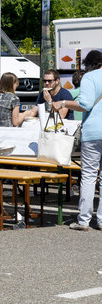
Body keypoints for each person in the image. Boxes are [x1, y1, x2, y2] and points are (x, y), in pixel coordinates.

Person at [52, 50, 102, 231]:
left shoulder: (89, 78)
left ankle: (84, 220)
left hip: (93, 132)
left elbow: (85, 104)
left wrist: (63, 103)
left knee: (88, 175)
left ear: (90, 65)